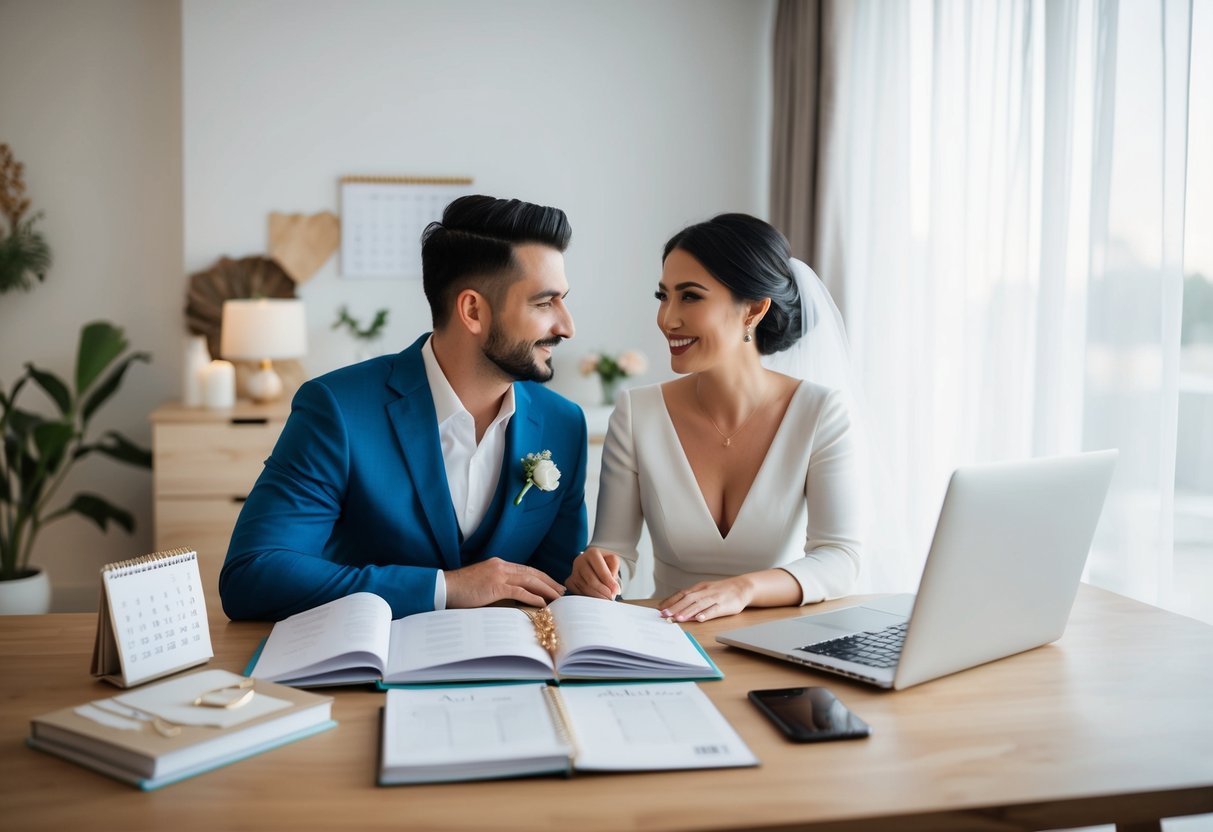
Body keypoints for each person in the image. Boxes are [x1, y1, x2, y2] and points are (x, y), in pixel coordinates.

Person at [220, 195, 588, 621]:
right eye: (544, 303)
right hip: (368, 675)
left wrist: (588, 579)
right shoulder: (337, 410)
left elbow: (556, 583)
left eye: (562, 301)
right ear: (472, 310)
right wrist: (445, 588)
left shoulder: (564, 424)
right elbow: (252, 574)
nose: (567, 326)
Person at [566, 213, 873, 622]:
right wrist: (599, 570)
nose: (667, 319)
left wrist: (743, 589)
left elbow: (840, 558)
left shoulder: (819, 412)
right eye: (663, 296)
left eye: (690, 296)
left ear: (753, 310)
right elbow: (615, 550)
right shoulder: (638, 412)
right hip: (670, 639)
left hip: (773, 641)